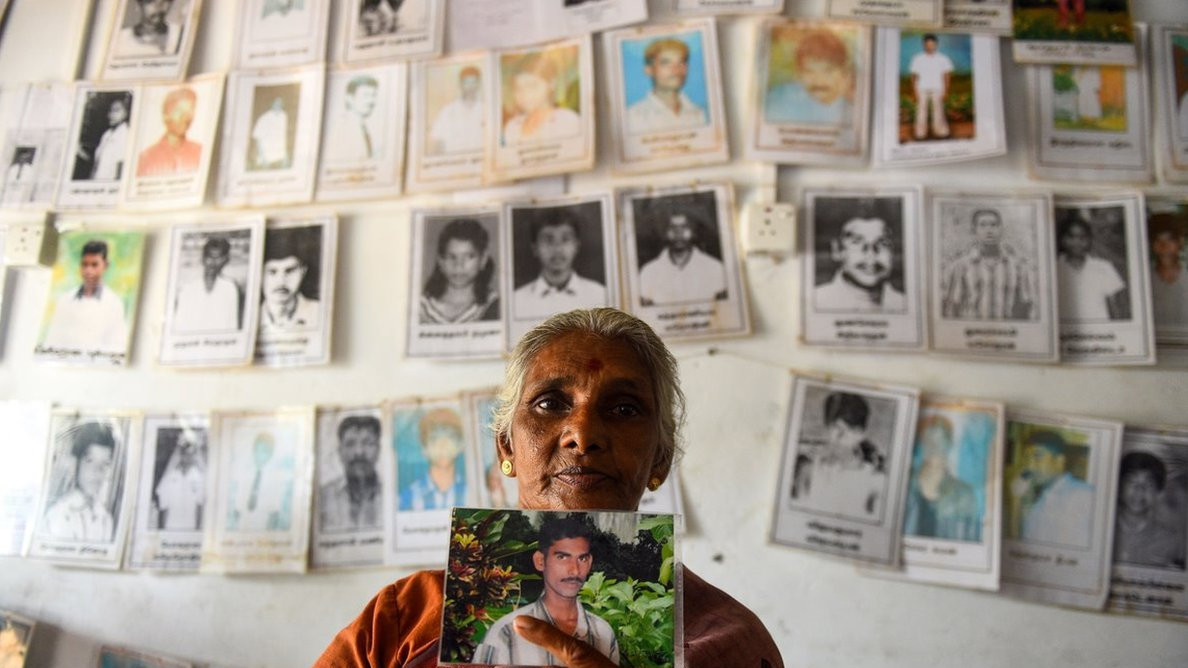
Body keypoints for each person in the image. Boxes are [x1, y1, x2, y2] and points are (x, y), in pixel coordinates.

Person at [312, 308, 784, 668]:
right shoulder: (405, 617)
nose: (582, 432)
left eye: (623, 409)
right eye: (549, 402)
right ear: (506, 448)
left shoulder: (727, 643)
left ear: (659, 458)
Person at [472, 514, 619, 665]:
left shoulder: (604, 633)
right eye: (562, 557)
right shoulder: (504, 633)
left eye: (582, 559)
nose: (575, 571)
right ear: (540, 561)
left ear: (589, 563)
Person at [790, 392, 886, 520]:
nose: (842, 436)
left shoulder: (875, 480)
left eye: (851, 429)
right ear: (826, 427)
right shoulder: (808, 470)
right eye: (836, 427)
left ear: (862, 433)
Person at [941, 208, 1038, 321]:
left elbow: (1026, 306)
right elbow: (952, 307)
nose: (989, 230)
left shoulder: (1018, 267)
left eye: (994, 225)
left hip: (1007, 333)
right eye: (982, 225)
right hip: (971, 332)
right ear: (974, 230)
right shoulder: (961, 266)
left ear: (1001, 229)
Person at [40, 239, 129, 354]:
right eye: (85, 264)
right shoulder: (65, 300)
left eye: (94, 265)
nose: (88, 270)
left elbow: (116, 346)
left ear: (105, 266)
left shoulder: (113, 303)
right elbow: (53, 339)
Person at [513, 211, 605, 320]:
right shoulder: (516, 300)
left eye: (565, 239)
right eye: (548, 240)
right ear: (535, 248)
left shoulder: (600, 295)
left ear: (577, 245)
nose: (557, 249)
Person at [1007, 430, 1093, 547]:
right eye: (1027, 458)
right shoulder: (1038, 505)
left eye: (1037, 456)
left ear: (1059, 461)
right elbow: (1021, 547)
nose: (1029, 466)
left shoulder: (1085, 495)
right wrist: (1016, 500)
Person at [902, 414, 981, 542]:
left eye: (940, 441)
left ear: (949, 445)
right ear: (921, 444)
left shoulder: (964, 495)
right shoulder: (905, 486)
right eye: (928, 440)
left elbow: (970, 544)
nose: (934, 447)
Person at [813, 213, 904, 312]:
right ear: (837, 250)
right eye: (857, 242)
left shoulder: (903, 304)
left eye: (883, 243)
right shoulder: (816, 302)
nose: (871, 254)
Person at [42, 422, 118, 542]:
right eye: (90, 461)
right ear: (75, 463)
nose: (97, 471)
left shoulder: (106, 519)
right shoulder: (59, 515)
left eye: (105, 464)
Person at [764, 28, 853, 125]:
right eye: (809, 71)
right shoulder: (780, 99)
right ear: (799, 74)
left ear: (844, 73)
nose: (818, 80)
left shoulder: (851, 110)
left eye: (828, 71)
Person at [1113, 451, 1185, 569]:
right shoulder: (1104, 528)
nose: (1139, 490)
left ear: (1159, 493)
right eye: (1131, 481)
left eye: (1149, 484)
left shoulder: (1171, 540)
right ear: (1119, 486)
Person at [637, 209, 726, 306]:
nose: (678, 233)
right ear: (665, 233)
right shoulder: (648, 271)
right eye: (672, 228)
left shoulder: (715, 267)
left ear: (693, 231)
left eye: (684, 227)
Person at [419, 218, 498, 324]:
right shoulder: (422, 307)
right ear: (440, 261)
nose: (459, 265)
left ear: (483, 260)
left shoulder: (493, 306)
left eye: (469, 256)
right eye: (452, 256)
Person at [625, 37, 706, 134]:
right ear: (649, 70)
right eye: (665, 62)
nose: (676, 70)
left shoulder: (699, 113)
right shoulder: (632, 117)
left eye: (681, 62)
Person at [1056, 215, 1127, 322]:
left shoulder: (1104, 267)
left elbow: (1115, 307)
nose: (1077, 243)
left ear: (1089, 240)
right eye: (1071, 237)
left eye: (1082, 238)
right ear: (1062, 239)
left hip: (1100, 333)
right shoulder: (1055, 268)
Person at [319, 415, 382, 532]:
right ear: (339, 451)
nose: (359, 452)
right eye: (350, 444)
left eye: (367, 443)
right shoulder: (323, 498)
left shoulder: (395, 495)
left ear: (379, 449)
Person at [502, 53, 581, 145]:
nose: (525, 94)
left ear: (551, 83)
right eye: (518, 88)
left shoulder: (567, 120)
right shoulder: (512, 126)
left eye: (532, 85)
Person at [399, 408, 466, 511]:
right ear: (424, 449)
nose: (442, 446)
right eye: (434, 438)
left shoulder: (470, 492)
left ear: (460, 446)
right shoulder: (408, 498)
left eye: (450, 437)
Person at [173, 235, 242, 333]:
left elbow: (232, 325)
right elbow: (179, 325)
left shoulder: (230, 288)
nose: (213, 263)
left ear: (225, 260)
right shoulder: (187, 288)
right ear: (203, 258)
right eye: (209, 257)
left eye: (218, 258)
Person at [228, 431, 293, 532]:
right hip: (243, 522)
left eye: (264, 451)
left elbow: (274, 513)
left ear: (270, 454)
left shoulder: (275, 478)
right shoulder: (246, 473)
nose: (258, 454)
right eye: (256, 450)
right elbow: (237, 508)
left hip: (262, 523)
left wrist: (268, 533)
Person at [260, 228, 319, 332]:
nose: (281, 281)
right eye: (272, 272)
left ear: (303, 271)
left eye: (290, 271)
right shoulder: (245, 317)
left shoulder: (320, 312)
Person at [136, 86, 201, 177]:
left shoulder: (200, 152)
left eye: (189, 111)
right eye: (179, 111)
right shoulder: (146, 158)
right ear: (165, 115)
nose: (186, 117)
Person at [154, 429, 205, 531]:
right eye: (185, 453)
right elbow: (163, 507)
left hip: (190, 530)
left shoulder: (200, 477)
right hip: (170, 528)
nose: (188, 457)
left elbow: (200, 507)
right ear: (180, 454)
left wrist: (196, 532)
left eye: (192, 453)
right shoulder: (170, 476)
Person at [428, 66, 484, 155]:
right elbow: (437, 142)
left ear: (478, 84)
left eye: (474, 82)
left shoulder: (485, 110)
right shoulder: (447, 111)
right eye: (467, 83)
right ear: (461, 84)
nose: (470, 87)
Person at [324, 75, 380, 164]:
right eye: (366, 95)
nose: (371, 101)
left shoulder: (365, 128)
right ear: (349, 98)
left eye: (373, 95)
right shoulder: (341, 128)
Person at [909, 34, 952, 140]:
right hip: (921, 88)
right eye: (927, 44)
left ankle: (941, 132)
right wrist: (914, 91)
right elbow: (914, 76)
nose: (930, 47)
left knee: (938, 110)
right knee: (921, 111)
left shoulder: (943, 58)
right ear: (924, 45)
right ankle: (920, 134)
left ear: (936, 45)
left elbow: (946, 75)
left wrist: (946, 90)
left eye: (932, 44)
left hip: (938, 88)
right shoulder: (917, 58)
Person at [1149, 213, 1188, 328]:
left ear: (1180, 242)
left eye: (1169, 239)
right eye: (1158, 240)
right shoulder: (1144, 281)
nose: (1163, 246)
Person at [79, 96, 131, 181]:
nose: (111, 114)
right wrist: (81, 152)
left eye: (117, 110)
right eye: (110, 110)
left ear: (126, 113)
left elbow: (121, 168)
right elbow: (97, 163)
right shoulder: (107, 134)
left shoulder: (125, 134)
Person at [115, 0, 182, 58]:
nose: (158, 7)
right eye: (150, 1)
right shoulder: (120, 39)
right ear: (138, 6)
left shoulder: (179, 35)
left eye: (165, 1)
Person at [250, 96, 290, 170]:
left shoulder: (283, 116)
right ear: (272, 104)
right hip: (266, 159)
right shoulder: (263, 118)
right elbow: (258, 139)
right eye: (276, 103)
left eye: (281, 103)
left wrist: (285, 156)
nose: (279, 105)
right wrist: (263, 158)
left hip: (280, 158)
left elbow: (283, 137)